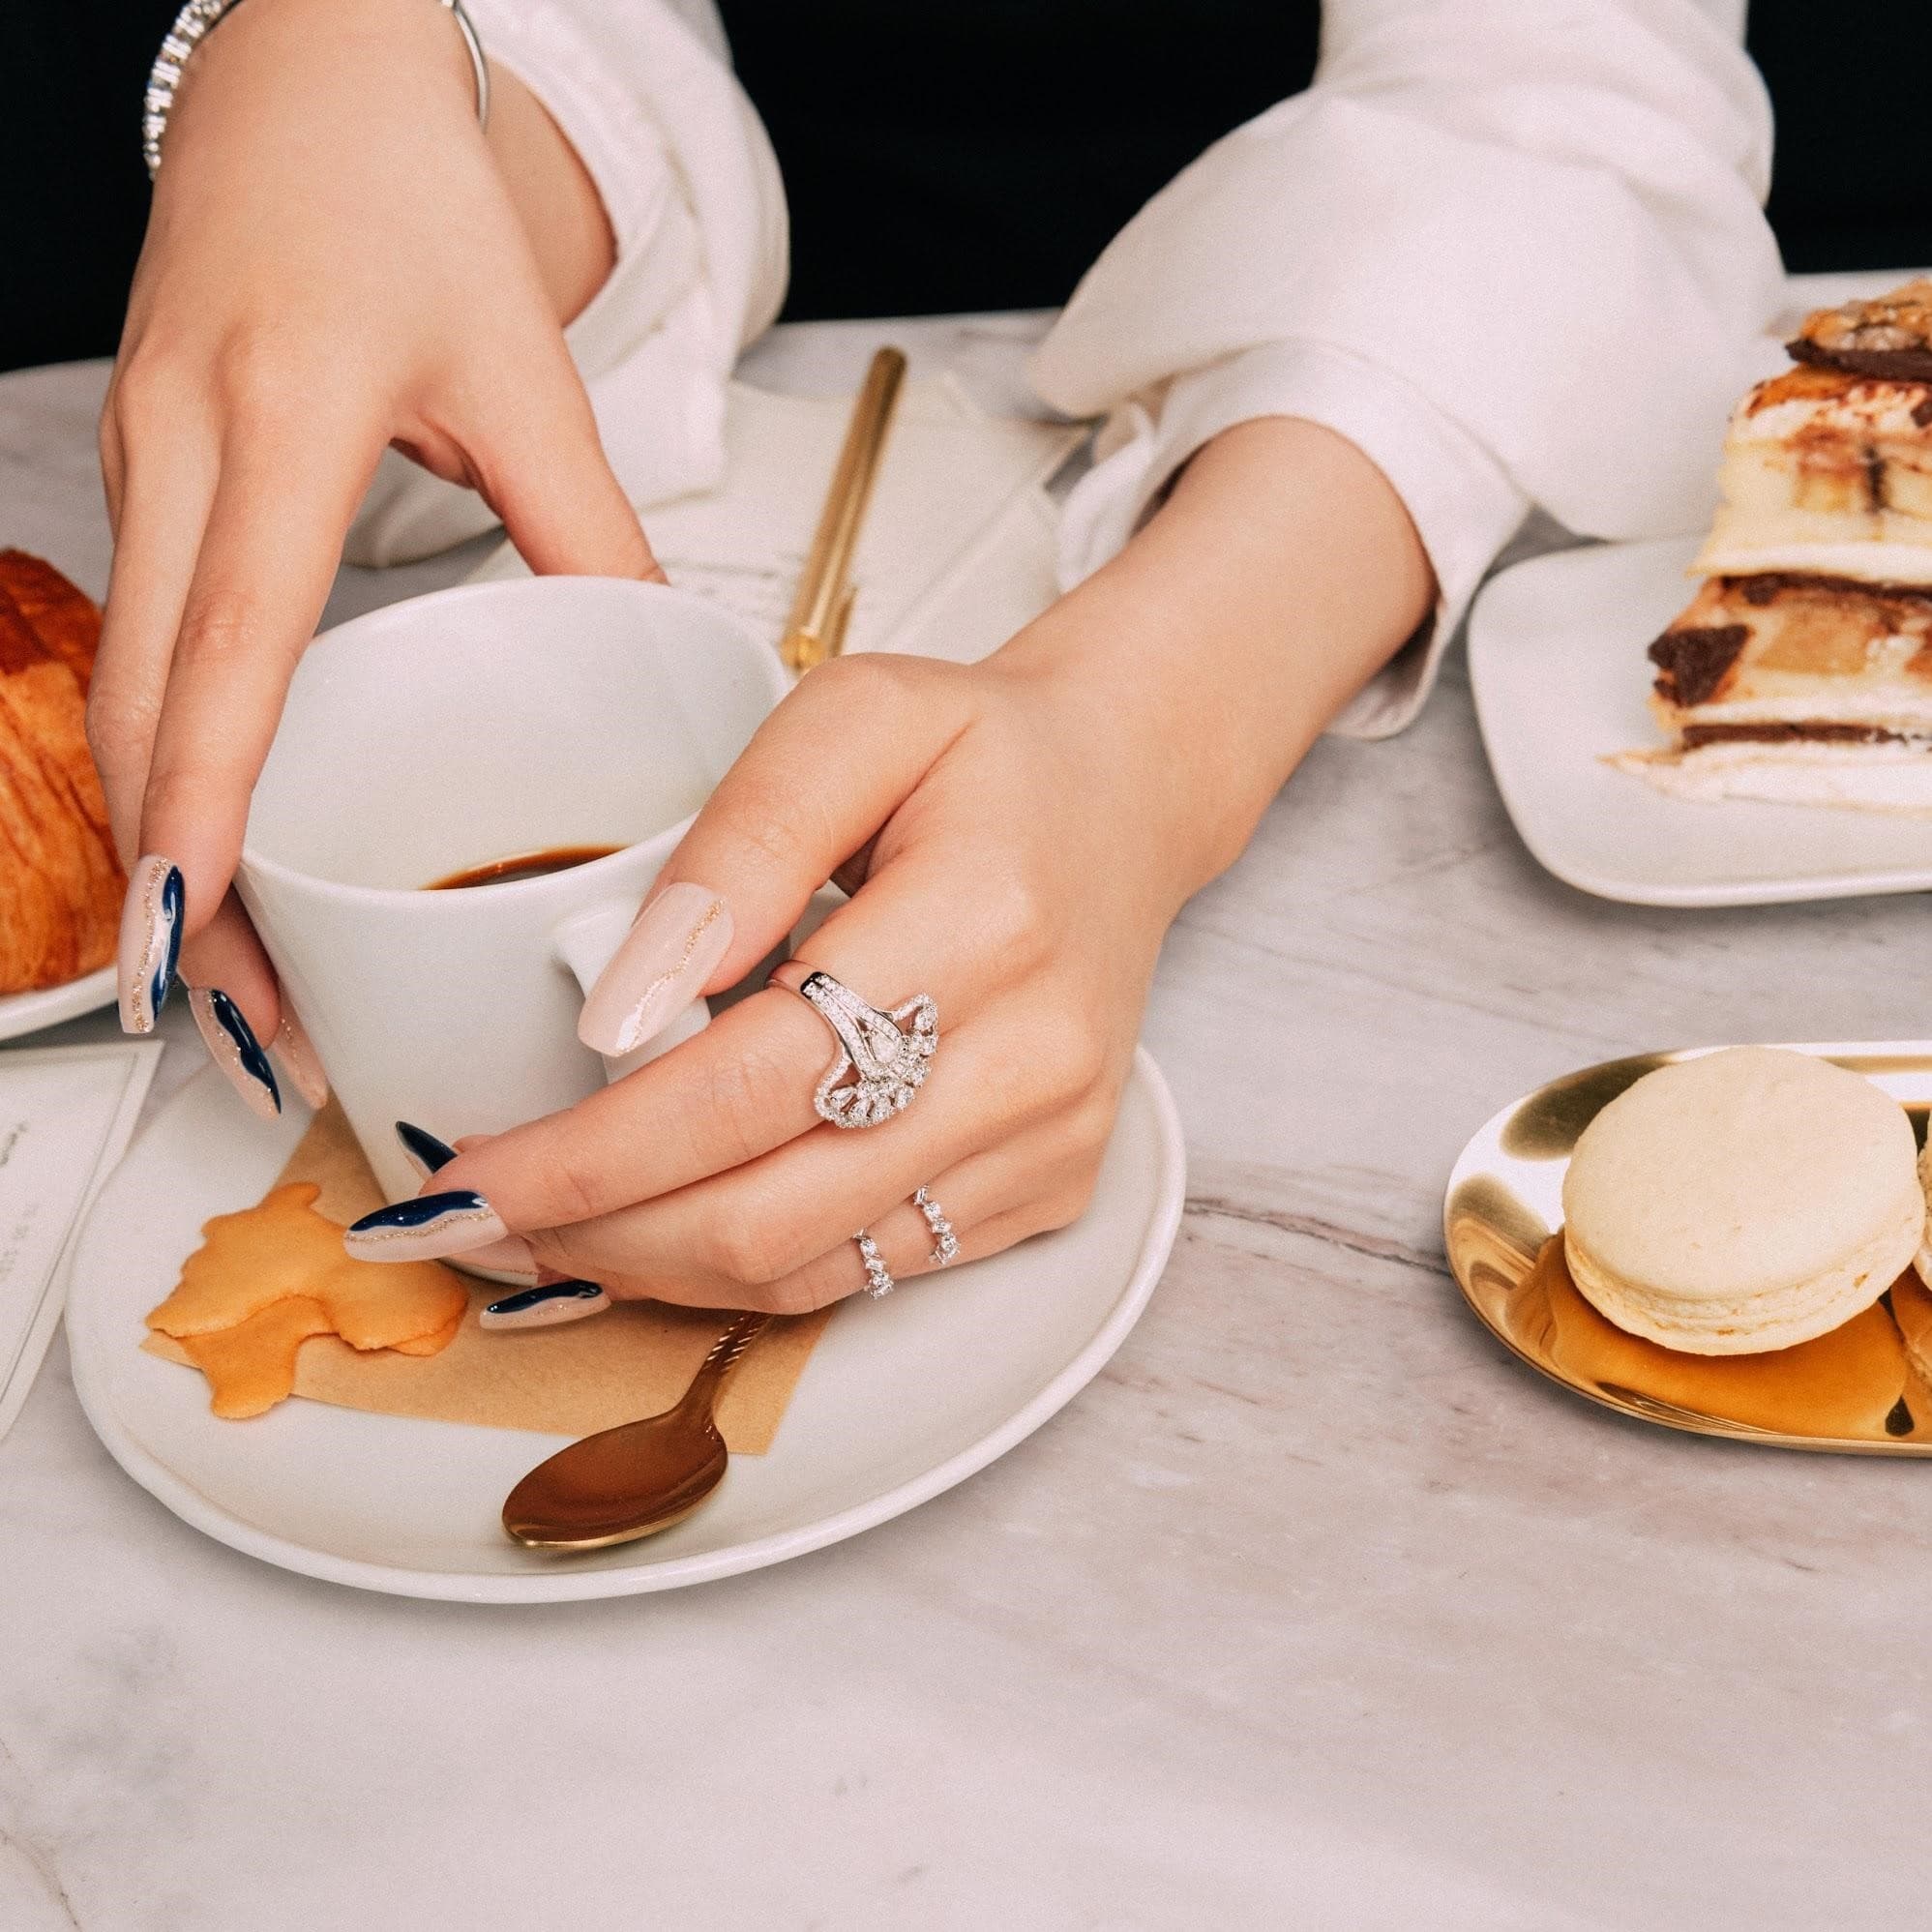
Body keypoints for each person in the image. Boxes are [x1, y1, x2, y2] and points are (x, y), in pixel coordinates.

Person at [98, 0, 1781, 1310]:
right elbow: (573, 107)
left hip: (1308, 401)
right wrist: (352, 74)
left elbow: (1554, 97)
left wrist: (1146, 733)